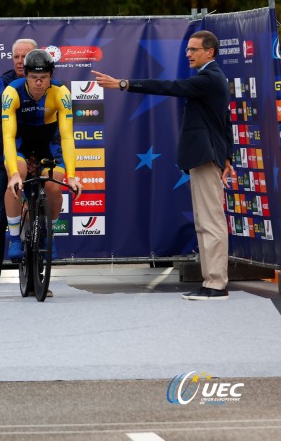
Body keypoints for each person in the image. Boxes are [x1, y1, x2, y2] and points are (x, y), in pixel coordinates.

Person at [92, 30, 235, 301]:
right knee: (205, 222)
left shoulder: (209, 78)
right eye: (188, 49)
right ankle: (211, 282)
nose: (188, 53)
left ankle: (216, 285)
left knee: (211, 222)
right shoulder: (212, 78)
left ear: (210, 52)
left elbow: (169, 87)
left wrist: (123, 84)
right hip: (208, 156)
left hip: (206, 157)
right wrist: (228, 156)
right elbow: (223, 121)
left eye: (194, 49)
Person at [0, 49, 83, 298]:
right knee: (17, 176)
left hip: (49, 143)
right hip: (21, 143)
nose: (39, 82)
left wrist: (73, 175)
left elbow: (67, 135)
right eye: (34, 77)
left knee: (56, 182)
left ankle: (48, 232)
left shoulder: (61, 92)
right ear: (25, 75)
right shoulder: (11, 91)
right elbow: (7, 135)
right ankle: (15, 237)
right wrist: (14, 173)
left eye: (44, 77)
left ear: (50, 77)